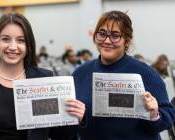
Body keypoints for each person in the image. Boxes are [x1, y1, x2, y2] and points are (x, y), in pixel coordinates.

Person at [0, 13, 85, 140]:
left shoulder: (44, 79)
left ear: (28, 46)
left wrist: (76, 117)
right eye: (5, 39)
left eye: (21, 40)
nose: (12, 47)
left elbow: (60, 135)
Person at [71, 10, 175, 140]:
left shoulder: (146, 74)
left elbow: (168, 117)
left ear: (127, 40)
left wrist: (154, 113)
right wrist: (79, 119)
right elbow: (69, 126)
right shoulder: (80, 74)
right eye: (102, 34)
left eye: (115, 35)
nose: (107, 41)